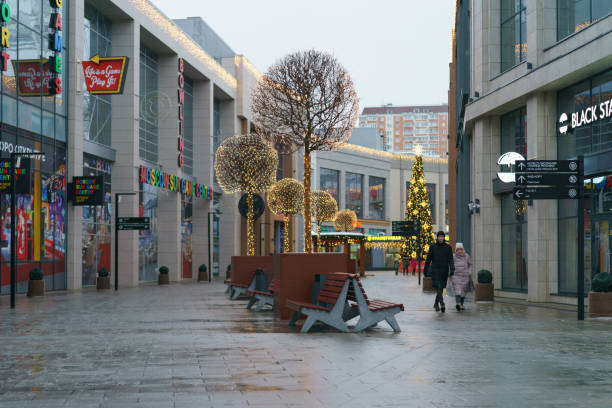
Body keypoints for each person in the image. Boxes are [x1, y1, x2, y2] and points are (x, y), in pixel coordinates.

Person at [424, 231, 454, 313]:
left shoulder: (448, 247)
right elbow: (428, 259)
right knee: (439, 287)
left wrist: (452, 269)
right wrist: (425, 270)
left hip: (444, 271)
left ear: (444, 237)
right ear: (437, 237)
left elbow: (451, 259)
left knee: (441, 288)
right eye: (439, 236)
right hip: (435, 270)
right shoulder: (433, 246)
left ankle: (436, 303)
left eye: (442, 237)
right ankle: (442, 303)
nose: (440, 238)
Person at [452, 242, 472, 311]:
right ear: (456, 250)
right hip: (456, 276)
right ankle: (458, 304)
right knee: (458, 291)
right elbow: (450, 265)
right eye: (458, 249)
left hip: (465, 276)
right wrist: (450, 272)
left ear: (463, 249)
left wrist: (469, 272)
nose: (459, 251)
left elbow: (470, 265)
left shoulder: (467, 256)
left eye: (461, 249)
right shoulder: (453, 256)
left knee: (463, 291)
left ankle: (462, 304)